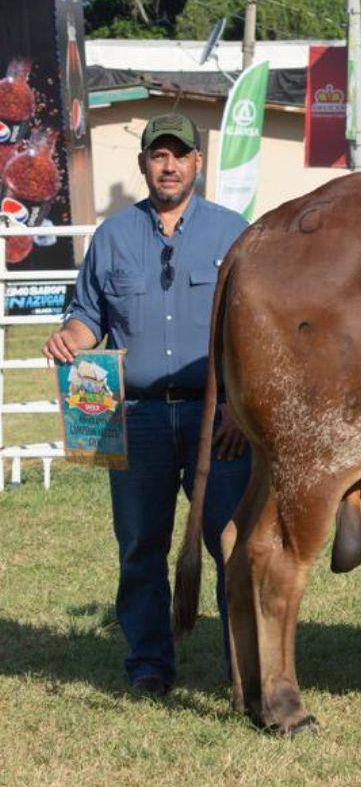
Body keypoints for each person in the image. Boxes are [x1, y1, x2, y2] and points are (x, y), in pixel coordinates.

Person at [42, 113, 251, 697]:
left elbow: (253, 331)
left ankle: (245, 666)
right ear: (143, 164)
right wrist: (71, 338)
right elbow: (88, 315)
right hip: (135, 417)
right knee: (140, 546)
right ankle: (150, 665)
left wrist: (239, 406)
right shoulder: (111, 237)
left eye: (179, 154)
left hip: (219, 420)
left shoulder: (234, 233)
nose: (169, 165)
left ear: (198, 163)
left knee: (232, 543)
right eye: (158, 155)